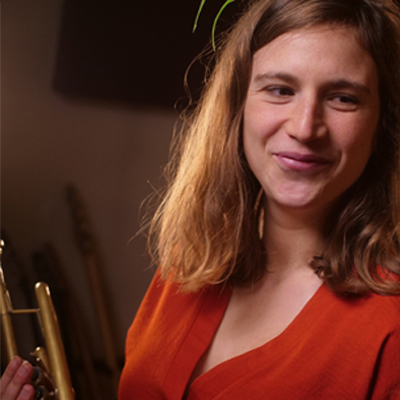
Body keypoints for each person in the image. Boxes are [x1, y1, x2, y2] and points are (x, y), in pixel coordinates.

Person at [2, 0, 400, 399]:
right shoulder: (192, 263)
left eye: (343, 98)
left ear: (383, 123)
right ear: (238, 105)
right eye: (280, 89)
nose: (305, 126)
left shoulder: (391, 326)